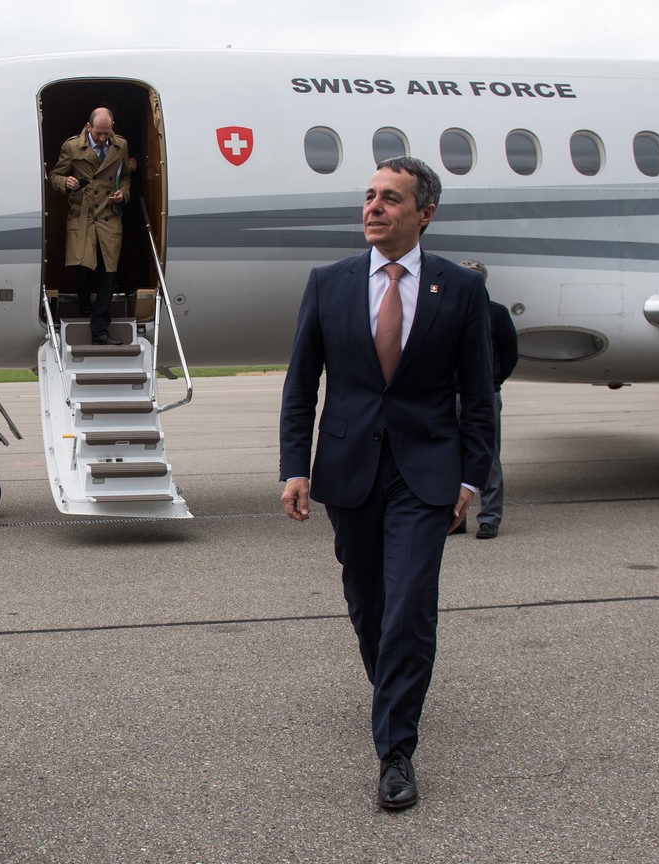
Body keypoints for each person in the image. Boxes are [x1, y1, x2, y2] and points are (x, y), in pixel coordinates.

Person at [279, 156, 495, 811]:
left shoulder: (461, 289)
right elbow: (301, 385)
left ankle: (396, 751)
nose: (374, 208)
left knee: (409, 607)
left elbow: (479, 396)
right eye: (370, 196)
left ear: (424, 213)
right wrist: (295, 467)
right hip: (351, 470)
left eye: (390, 199)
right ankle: (393, 688)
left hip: (427, 474)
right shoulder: (329, 283)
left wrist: (472, 478)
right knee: (368, 601)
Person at [49, 107, 130, 345]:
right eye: (98, 133)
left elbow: (126, 176)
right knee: (82, 266)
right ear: (88, 127)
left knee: (108, 271)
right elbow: (54, 176)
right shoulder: (72, 147)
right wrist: (66, 182)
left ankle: (100, 330)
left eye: (107, 132)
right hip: (82, 215)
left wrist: (123, 193)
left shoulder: (121, 145)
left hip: (108, 216)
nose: (103, 138)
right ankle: (84, 304)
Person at [457, 259, 519, 540]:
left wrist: (492, 382)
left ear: (481, 282)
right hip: (452, 395)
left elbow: (509, 354)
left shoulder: (496, 313)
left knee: (489, 457)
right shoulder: (447, 312)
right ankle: (457, 517)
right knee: (452, 457)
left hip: (485, 396)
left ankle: (490, 518)